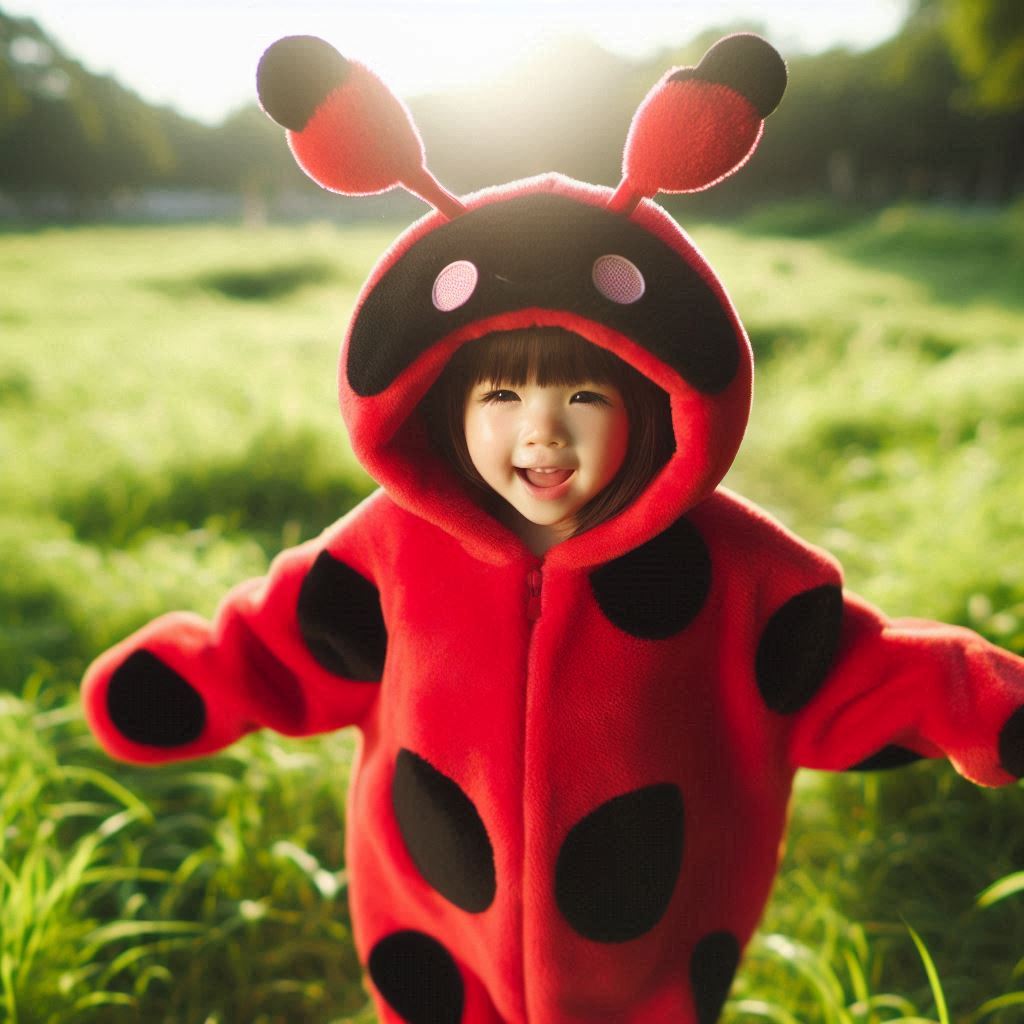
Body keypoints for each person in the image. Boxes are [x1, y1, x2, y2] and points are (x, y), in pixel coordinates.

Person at [81, 33, 1024, 1024]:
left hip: (650, 961)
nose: (540, 430)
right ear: (437, 404)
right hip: (437, 942)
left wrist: (971, 697)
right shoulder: (394, 548)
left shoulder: (731, 568)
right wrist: (196, 676)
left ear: (657, 402)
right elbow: (286, 640)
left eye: (583, 392)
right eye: (499, 394)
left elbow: (844, 669)